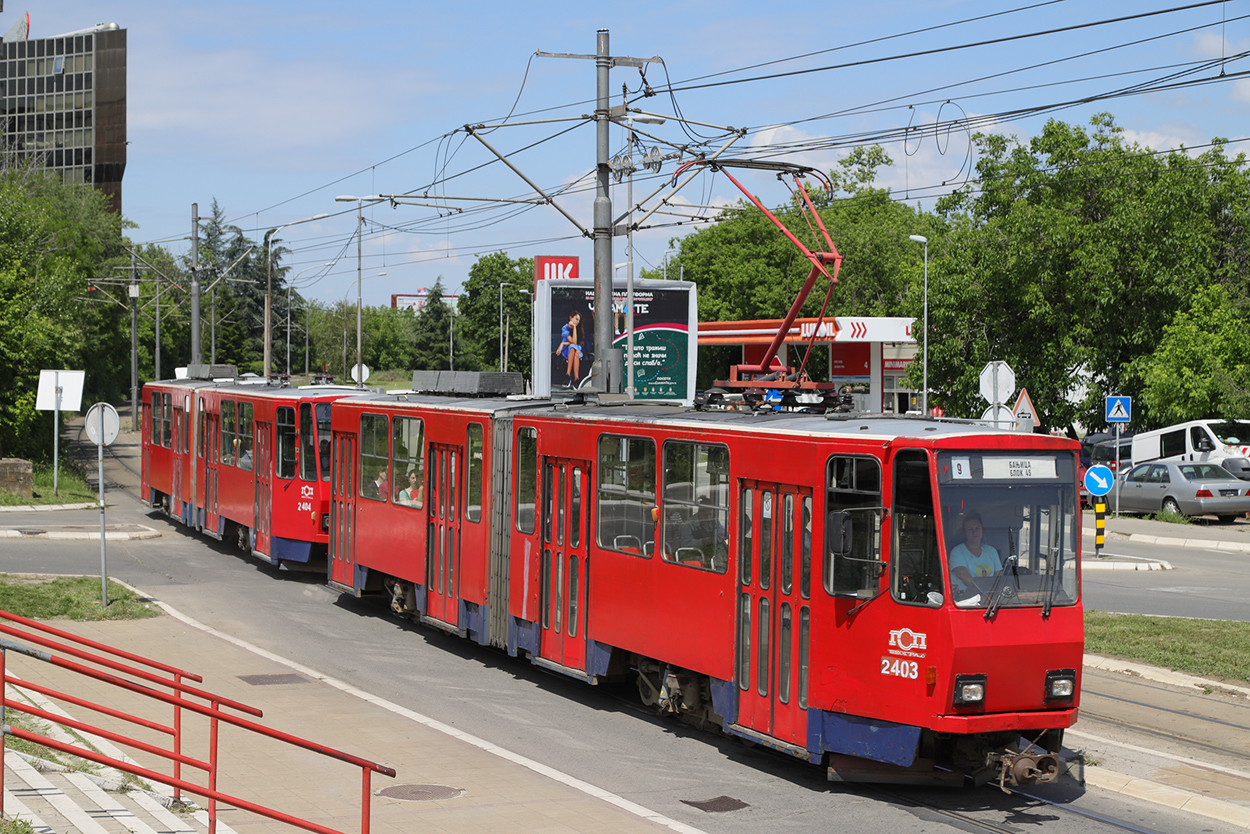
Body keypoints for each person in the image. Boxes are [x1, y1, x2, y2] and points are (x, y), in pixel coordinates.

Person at [948, 512, 1001, 597]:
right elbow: (963, 575)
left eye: (977, 528)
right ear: (964, 532)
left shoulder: (991, 551)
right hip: (963, 600)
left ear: (982, 530)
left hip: (989, 599)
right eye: (970, 529)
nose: (974, 532)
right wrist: (983, 592)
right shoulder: (957, 551)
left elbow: (999, 576)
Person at [556, 311, 583, 388]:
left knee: (575, 350)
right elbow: (572, 342)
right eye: (576, 319)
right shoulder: (565, 328)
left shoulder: (578, 328)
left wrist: (574, 328)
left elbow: (575, 342)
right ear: (571, 318)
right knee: (573, 349)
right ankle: (572, 377)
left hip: (575, 347)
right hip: (567, 349)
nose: (577, 322)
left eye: (579, 320)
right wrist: (563, 344)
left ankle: (571, 376)